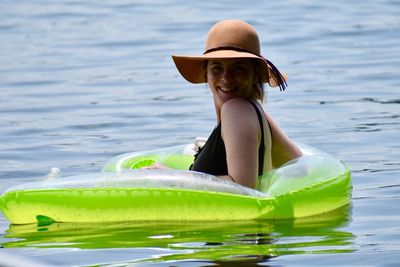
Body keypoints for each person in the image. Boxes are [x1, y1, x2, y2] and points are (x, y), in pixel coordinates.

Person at [152, 19, 302, 189]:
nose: (226, 78)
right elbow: (299, 166)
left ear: (254, 74)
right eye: (217, 67)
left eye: (238, 68)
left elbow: (243, 186)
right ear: (205, 73)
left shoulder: (236, 111)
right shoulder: (254, 111)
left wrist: (173, 177)